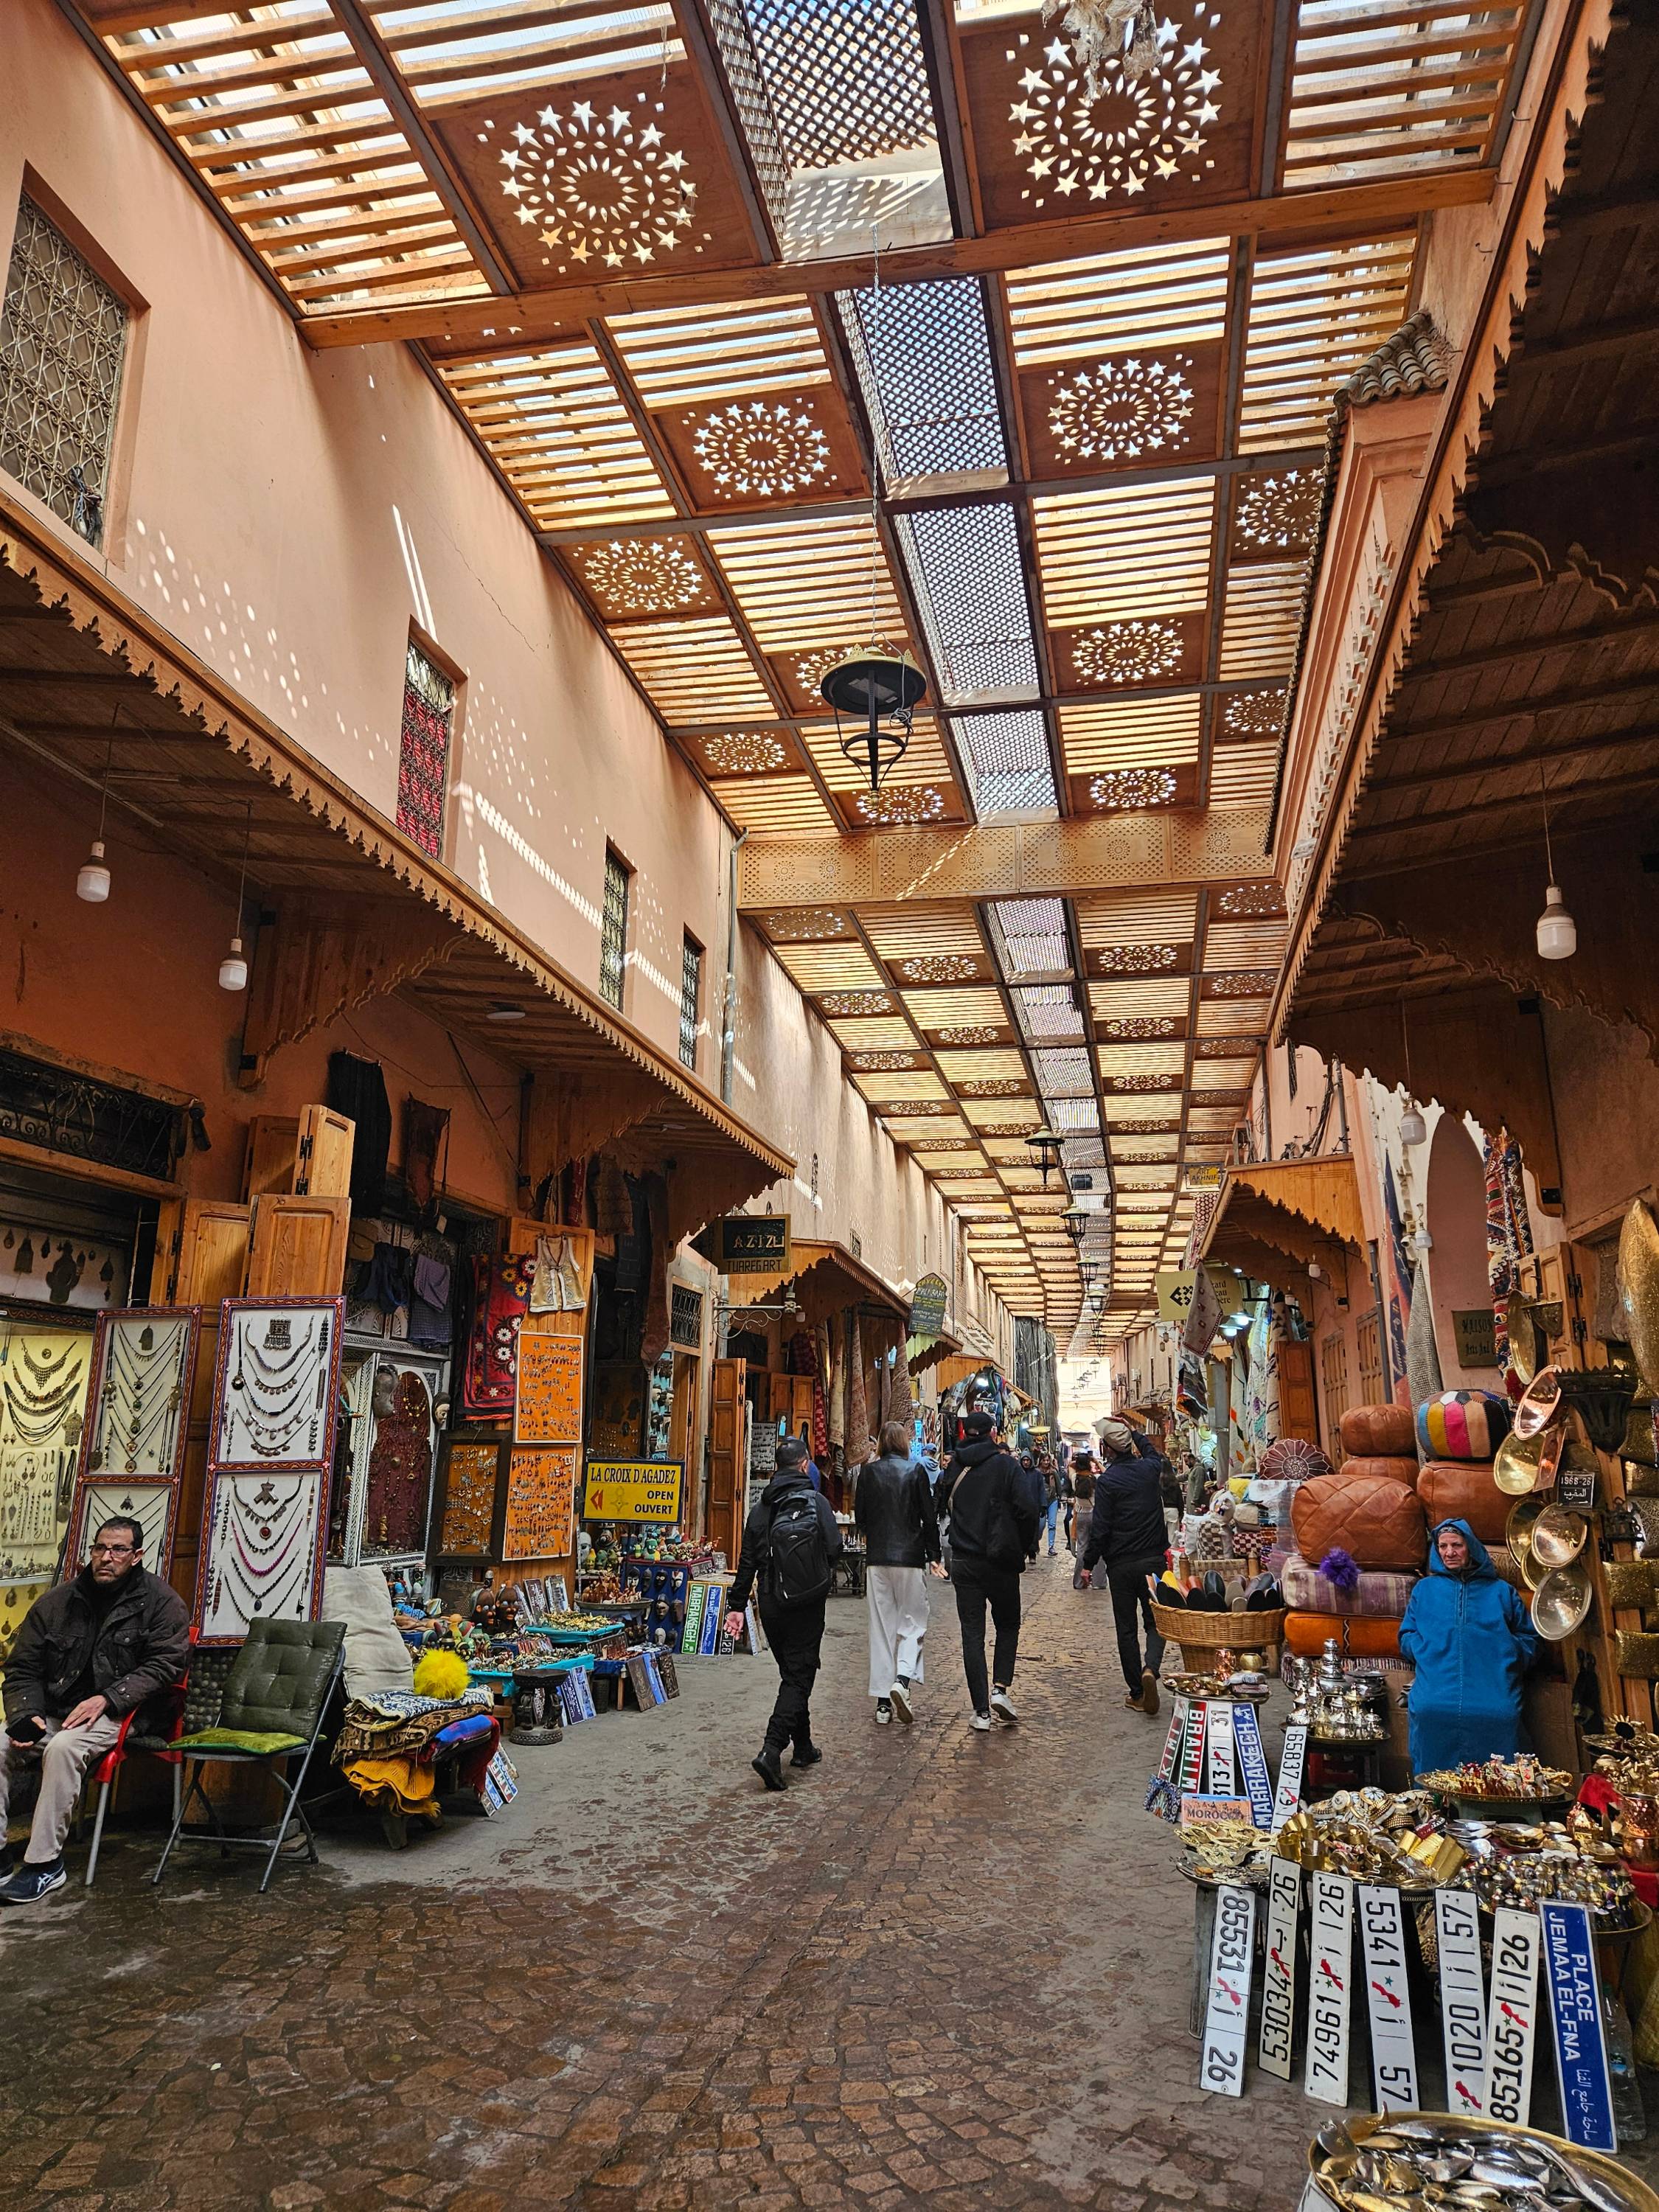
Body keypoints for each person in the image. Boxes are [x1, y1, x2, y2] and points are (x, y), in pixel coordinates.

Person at [0, 1514, 189, 1905]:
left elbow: (163, 1667)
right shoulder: (59, 1601)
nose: (106, 1557)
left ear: (136, 1555)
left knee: (64, 1748)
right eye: (100, 1548)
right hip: (56, 1708)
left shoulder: (163, 1603)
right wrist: (26, 1713)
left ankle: (44, 1864)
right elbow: (23, 1667)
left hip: (123, 1713)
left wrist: (108, 1698)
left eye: (118, 1549)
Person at [725, 1438, 844, 1791]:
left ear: (777, 1467)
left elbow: (747, 1563)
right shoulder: (817, 1503)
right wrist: (816, 1577)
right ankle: (772, 1748)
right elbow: (836, 1548)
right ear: (805, 1464)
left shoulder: (760, 1509)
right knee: (799, 1675)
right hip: (807, 1604)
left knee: (793, 1671)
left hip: (772, 1603)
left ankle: (804, 1747)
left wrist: (736, 1608)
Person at [1398, 1518, 1539, 1776]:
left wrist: (1508, 1652)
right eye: (1443, 1546)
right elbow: (1407, 1633)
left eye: (1457, 1545)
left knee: (1502, 1715)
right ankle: (1435, 1805)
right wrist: (1424, 1649)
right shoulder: (1425, 1590)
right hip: (1437, 1686)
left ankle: (1497, 1802)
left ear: (1471, 1547)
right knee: (1429, 1712)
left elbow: (1528, 1639)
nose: (1449, 1552)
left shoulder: (1501, 1592)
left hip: (1492, 1686)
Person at [939, 1409, 1038, 1731]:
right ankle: (1000, 1688)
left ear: (966, 1433)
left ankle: (981, 1711)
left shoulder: (955, 1466)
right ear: (993, 1433)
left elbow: (939, 1506)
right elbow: (1028, 1511)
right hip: (1001, 1561)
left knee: (972, 1635)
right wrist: (1023, 1546)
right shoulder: (1007, 1466)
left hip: (965, 1561)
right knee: (1008, 1624)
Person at [1077, 1419, 1171, 1716]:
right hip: (1153, 1561)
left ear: (1106, 1449)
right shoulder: (1148, 1470)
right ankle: (1151, 1669)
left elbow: (1101, 1529)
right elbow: (1153, 1453)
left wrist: (1088, 1563)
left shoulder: (1107, 1482)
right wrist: (1134, 1432)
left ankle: (1138, 1692)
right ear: (1129, 1445)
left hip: (1121, 1565)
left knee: (1126, 1629)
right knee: (1156, 1622)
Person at [855, 1421, 945, 1725]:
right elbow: (928, 1517)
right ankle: (902, 1680)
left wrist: (876, 1536)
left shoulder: (869, 1472)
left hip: (878, 1558)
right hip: (909, 1556)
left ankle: (883, 1704)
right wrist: (934, 1555)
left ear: (880, 1443)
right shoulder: (916, 1471)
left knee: (881, 1628)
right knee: (913, 1622)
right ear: (905, 1443)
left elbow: (861, 1517)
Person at [1035, 1452, 1062, 1557]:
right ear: (1040, 1461)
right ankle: (1036, 1542)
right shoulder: (1036, 1472)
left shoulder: (1053, 1472)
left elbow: (1059, 1485)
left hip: (1052, 1500)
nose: (1046, 1462)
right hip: (1040, 1502)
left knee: (1052, 1524)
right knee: (1040, 1525)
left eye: (1047, 1460)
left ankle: (1051, 1547)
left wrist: (1060, 1497)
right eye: (1044, 1460)